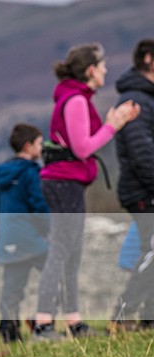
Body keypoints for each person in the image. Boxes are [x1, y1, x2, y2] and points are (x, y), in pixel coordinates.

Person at [32, 42, 140, 341]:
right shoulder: (76, 100)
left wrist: (112, 123)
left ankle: (73, 321)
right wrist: (113, 126)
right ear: (91, 70)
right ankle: (43, 324)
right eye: (102, 65)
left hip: (65, 183)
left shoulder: (73, 97)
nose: (106, 70)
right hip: (64, 183)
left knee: (71, 252)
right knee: (61, 252)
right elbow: (82, 148)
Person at [109, 39, 154, 333]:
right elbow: (142, 154)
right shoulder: (136, 102)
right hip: (143, 190)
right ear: (149, 59)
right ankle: (122, 316)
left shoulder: (146, 99)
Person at [0, 123, 50, 343]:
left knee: (12, 288)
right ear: (28, 146)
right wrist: (49, 229)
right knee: (54, 275)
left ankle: (9, 330)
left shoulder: (1, 174)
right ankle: (43, 322)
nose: (42, 148)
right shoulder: (31, 172)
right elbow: (39, 205)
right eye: (39, 143)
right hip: (31, 238)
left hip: (8, 237)